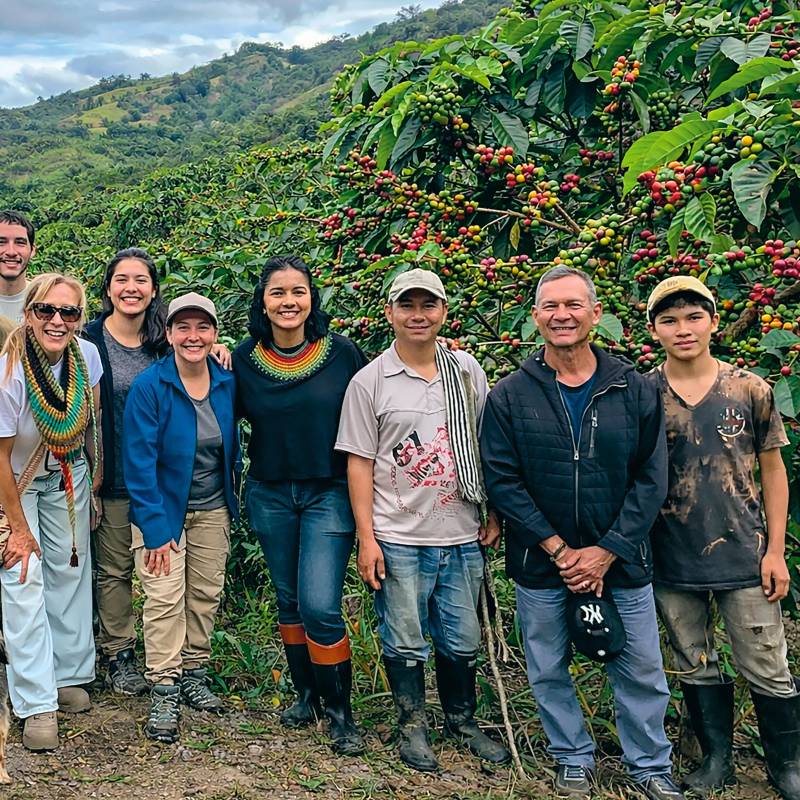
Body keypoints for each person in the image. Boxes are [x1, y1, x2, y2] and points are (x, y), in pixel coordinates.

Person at [480, 265, 685, 800]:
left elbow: (651, 476)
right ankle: (571, 756)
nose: (561, 315)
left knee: (639, 667)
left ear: (596, 314)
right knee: (548, 666)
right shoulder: (510, 394)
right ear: (536, 318)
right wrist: (557, 548)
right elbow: (502, 478)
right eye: (550, 306)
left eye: (573, 305)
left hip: (622, 559)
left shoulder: (633, 388)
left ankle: (649, 765)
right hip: (541, 562)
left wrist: (606, 551)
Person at [336, 268, 510, 772]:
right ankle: (411, 724)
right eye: (407, 306)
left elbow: (486, 444)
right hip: (399, 536)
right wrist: (367, 538)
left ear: (443, 311)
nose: (418, 315)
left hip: (461, 531)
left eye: (428, 305)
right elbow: (360, 462)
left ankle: (462, 720)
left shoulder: (466, 371)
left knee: (462, 636)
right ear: (389, 313)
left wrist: (492, 509)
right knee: (405, 635)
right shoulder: (370, 382)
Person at [645, 276, 799, 800]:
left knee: (765, 659)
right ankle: (716, 758)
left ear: (713, 320)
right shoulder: (645, 393)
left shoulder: (749, 388)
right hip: (672, 552)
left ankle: (787, 763)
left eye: (693, 317)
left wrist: (775, 550)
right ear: (654, 330)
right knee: (694, 657)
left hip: (744, 550)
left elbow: (773, 471)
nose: (682, 329)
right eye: (669, 320)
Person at [233, 255, 367, 756]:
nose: (288, 302)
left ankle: (341, 712)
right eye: (277, 293)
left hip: (327, 493)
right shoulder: (244, 359)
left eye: (298, 292)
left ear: (312, 299)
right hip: (270, 493)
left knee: (319, 604)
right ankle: (307, 696)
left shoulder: (343, 354)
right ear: (262, 303)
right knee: (288, 601)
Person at [84, 248, 232, 696]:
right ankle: (119, 652)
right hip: (113, 471)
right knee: (115, 571)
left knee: (165, 576)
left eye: (141, 280)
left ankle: (179, 665)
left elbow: (196, 361)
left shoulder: (160, 339)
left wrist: (217, 350)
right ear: (108, 287)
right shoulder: (88, 339)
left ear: (153, 290)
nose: (131, 288)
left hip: (169, 483)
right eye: (122, 279)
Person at [123, 292, 238, 744]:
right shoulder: (151, 386)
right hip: (162, 512)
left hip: (213, 508)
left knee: (205, 593)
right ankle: (165, 683)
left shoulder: (227, 381)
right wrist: (154, 530)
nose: (194, 336)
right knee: (164, 597)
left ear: (214, 334)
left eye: (203, 327)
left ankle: (194, 669)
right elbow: (139, 462)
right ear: (168, 334)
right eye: (183, 327)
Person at [0, 273, 102, 751]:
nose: (57, 321)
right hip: (13, 484)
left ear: (81, 319)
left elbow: (90, 421)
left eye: (69, 312)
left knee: (69, 569)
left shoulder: (88, 357)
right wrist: (17, 528)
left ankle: (68, 673)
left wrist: (93, 483)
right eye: (46, 310)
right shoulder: (10, 368)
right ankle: (36, 701)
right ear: (29, 312)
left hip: (66, 474)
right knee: (24, 576)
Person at [0, 211, 36, 325]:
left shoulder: (46, 300)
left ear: (33, 250)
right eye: (1, 242)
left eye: (20, 243)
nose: (11, 252)